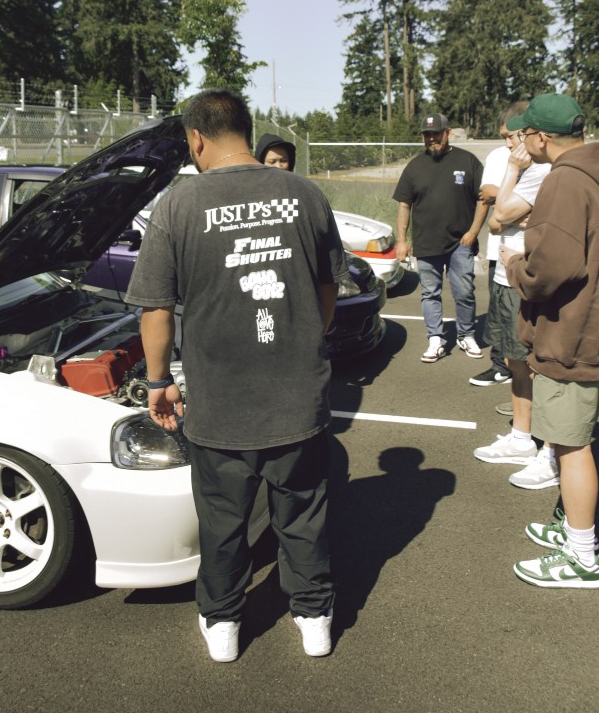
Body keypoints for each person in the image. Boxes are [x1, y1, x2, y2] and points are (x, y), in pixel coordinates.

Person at [125, 90, 349, 658]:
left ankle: (223, 623)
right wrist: (308, 337)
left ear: (196, 139)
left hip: (220, 403)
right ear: (247, 132)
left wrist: (159, 381)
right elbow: (328, 288)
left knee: (223, 521)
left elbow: (156, 307)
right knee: (303, 513)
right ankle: (314, 617)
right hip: (297, 395)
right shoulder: (305, 194)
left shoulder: (178, 205)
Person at [497, 94, 599, 588]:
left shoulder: (565, 179)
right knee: (584, 440)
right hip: (591, 327)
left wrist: (516, 264)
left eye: (524, 134)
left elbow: (552, 269)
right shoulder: (592, 168)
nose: (521, 142)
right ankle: (579, 530)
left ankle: (582, 555)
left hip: (573, 335)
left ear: (540, 137)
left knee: (571, 444)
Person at [472, 118, 555, 489]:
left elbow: (501, 214)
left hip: (529, 279)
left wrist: (511, 178)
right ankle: (522, 438)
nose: (507, 145)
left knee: (541, 366)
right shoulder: (523, 171)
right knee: (514, 359)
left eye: (511, 137)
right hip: (508, 276)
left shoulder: (541, 171)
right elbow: (496, 223)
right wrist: (513, 211)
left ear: (532, 135)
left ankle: (550, 450)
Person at [393, 113, 489, 362]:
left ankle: (466, 335)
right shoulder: (415, 166)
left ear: (448, 133)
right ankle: (435, 338)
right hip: (426, 243)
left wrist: (473, 232)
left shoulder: (467, 161)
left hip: (460, 243)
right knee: (430, 294)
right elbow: (404, 205)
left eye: (436, 133)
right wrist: (401, 241)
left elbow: (483, 199)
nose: (431, 138)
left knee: (465, 292)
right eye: (427, 134)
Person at [469, 102, 528, 388]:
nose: (506, 143)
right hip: (499, 250)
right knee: (501, 316)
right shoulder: (498, 156)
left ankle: (524, 378)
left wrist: (504, 197)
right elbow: (487, 195)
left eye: (510, 136)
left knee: (526, 322)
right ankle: (500, 366)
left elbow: (500, 199)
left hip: (530, 255)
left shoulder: (543, 161)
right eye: (503, 136)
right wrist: (516, 205)